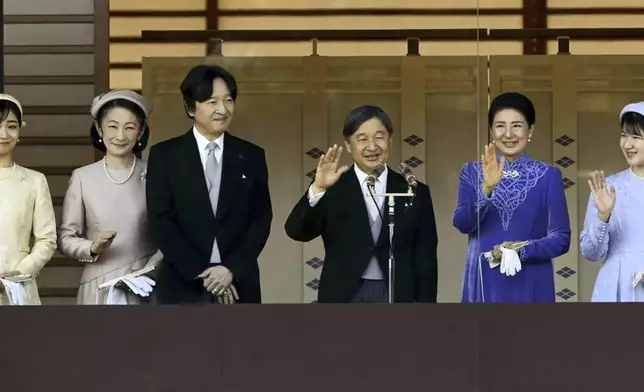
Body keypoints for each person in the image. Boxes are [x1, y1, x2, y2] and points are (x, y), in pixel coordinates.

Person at [285, 105, 438, 303]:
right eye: (362, 139)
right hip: (343, 296)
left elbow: (425, 258)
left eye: (379, 137)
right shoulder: (333, 188)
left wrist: (427, 311)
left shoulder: (415, 191)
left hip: (398, 296)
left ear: (390, 140)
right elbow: (297, 231)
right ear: (348, 145)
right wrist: (318, 188)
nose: (372, 147)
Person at [146, 65, 272, 304]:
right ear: (191, 107)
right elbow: (161, 221)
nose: (222, 110)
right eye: (212, 102)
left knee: (241, 342)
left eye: (228, 100)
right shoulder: (165, 156)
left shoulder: (251, 156)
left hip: (239, 284)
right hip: (182, 284)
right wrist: (203, 274)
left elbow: (261, 220)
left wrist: (230, 269)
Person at [453, 92, 571, 303]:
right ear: (491, 130)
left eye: (517, 125)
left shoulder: (548, 175)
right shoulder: (472, 171)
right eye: (500, 126)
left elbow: (561, 239)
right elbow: (463, 223)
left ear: (530, 130)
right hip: (484, 280)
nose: (508, 134)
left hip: (532, 281)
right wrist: (487, 188)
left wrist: (519, 251)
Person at [57, 90, 162, 305]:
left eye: (130, 127)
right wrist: (92, 248)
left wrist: (150, 269)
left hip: (143, 283)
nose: (120, 136)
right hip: (98, 285)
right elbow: (65, 238)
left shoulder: (156, 174)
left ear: (140, 131)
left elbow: (172, 234)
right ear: (99, 128)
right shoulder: (82, 177)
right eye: (113, 126)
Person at [581, 102, 644, 302]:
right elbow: (591, 253)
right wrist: (603, 216)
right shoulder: (608, 188)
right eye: (624, 135)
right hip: (615, 288)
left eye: (636, 137)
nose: (627, 144)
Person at [0, 93, 57, 305]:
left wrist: (16, 274)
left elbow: (47, 240)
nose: (3, 133)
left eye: (11, 126)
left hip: (20, 290)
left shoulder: (35, 181)